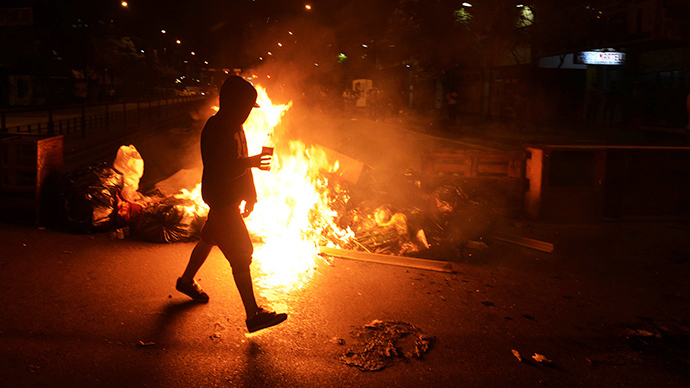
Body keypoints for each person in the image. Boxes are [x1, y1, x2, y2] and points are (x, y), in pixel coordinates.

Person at [175, 76, 287, 333]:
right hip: (221, 198)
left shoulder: (237, 127)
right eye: (246, 107)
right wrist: (253, 162)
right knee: (241, 254)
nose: (249, 113)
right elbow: (221, 168)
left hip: (230, 198)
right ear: (232, 104)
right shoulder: (215, 129)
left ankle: (186, 281)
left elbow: (242, 160)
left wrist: (251, 193)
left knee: (208, 238)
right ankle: (253, 314)